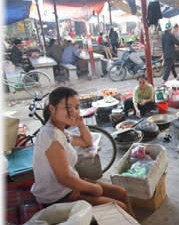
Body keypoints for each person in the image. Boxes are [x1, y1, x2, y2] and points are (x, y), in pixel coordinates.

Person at [30, 87, 135, 217]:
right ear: (52, 108)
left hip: (70, 186)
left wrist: (80, 123)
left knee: (121, 193)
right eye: (67, 108)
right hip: (60, 197)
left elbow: (87, 142)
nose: (73, 112)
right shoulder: (51, 136)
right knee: (120, 208)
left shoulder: (60, 130)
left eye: (76, 107)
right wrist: (92, 188)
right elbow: (64, 178)